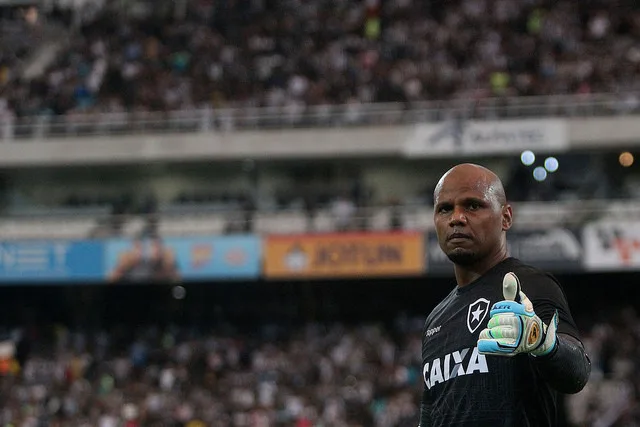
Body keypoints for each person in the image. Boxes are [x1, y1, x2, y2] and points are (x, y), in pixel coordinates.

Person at [419, 164, 591, 426]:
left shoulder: (532, 285)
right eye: (445, 209)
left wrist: (543, 343)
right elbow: (430, 415)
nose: (457, 218)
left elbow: (577, 373)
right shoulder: (435, 319)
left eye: (473, 206)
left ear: (506, 217)